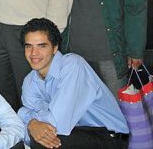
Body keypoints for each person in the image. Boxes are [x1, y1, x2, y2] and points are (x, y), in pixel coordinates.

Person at [18, 18, 129, 149]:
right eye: (29, 46)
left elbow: (57, 124)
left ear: (55, 48)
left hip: (109, 137)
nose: (34, 53)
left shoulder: (72, 65)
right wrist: (33, 123)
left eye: (42, 46)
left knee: (42, 141)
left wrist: (30, 121)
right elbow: (28, 121)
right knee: (26, 138)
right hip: (77, 132)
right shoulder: (29, 81)